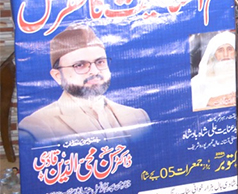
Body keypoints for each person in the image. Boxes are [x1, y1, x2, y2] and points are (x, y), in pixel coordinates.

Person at [18, 25, 150, 144]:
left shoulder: (138, 117)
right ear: (58, 76)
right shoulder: (35, 129)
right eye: (80, 65)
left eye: (100, 62)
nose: (94, 71)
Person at [191, 31, 236, 111]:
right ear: (214, 55)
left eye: (229, 49)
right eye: (220, 50)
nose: (225, 54)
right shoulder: (200, 80)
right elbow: (186, 103)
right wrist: (209, 101)